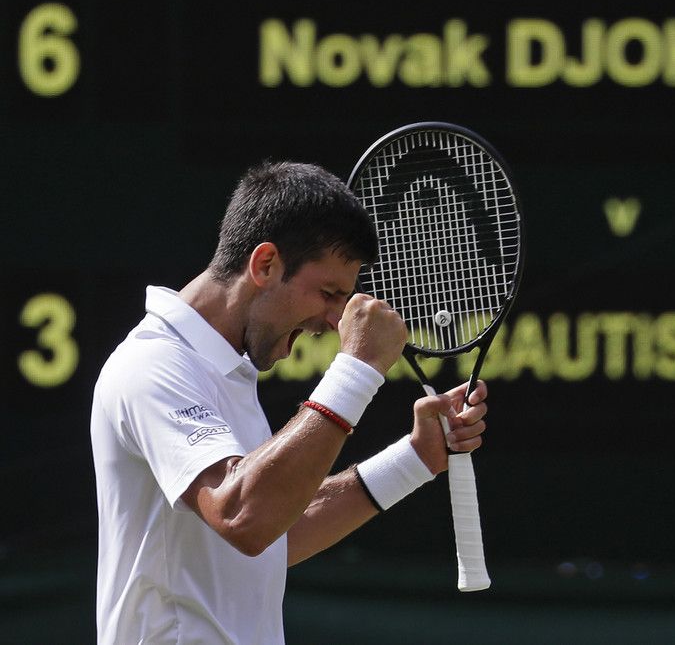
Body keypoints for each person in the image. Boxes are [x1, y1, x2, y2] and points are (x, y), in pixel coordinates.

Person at [90, 161, 488, 644]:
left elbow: (273, 536)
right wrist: (357, 369)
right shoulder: (152, 365)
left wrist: (415, 459)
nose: (335, 320)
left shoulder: (225, 370)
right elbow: (243, 516)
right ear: (265, 265)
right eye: (328, 293)